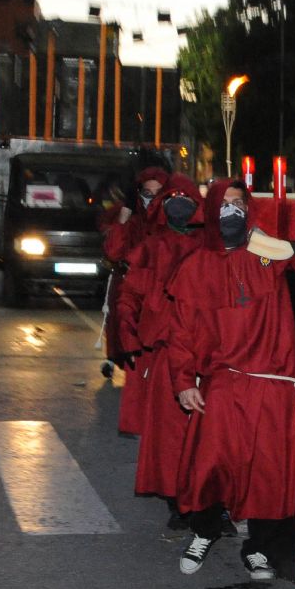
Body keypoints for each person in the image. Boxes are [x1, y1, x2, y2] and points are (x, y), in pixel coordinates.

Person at [168, 180, 295, 580]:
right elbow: (181, 330)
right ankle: (204, 531)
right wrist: (183, 380)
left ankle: (257, 547)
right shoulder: (195, 266)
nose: (231, 212)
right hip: (223, 377)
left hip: (271, 379)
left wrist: (259, 235)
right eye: (223, 205)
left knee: (266, 470)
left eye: (239, 204)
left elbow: (289, 254)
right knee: (211, 462)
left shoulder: (266, 256)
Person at [118, 173, 201, 508]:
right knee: (169, 436)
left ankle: (207, 501)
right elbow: (130, 296)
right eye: (171, 198)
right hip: (165, 352)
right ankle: (177, 501)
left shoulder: (209, 246)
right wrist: (129, 337)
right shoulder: (152, 248)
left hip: (204, 354)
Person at [104, 167, 171, 436]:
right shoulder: (132, 223)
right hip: (134, 296)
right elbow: (113, 251)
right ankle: (136, 420)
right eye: (147, 193)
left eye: (158, 193)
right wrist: (123, 219)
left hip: (161, 299)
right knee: (136, 358)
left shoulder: (172, 222)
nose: (152, 199)